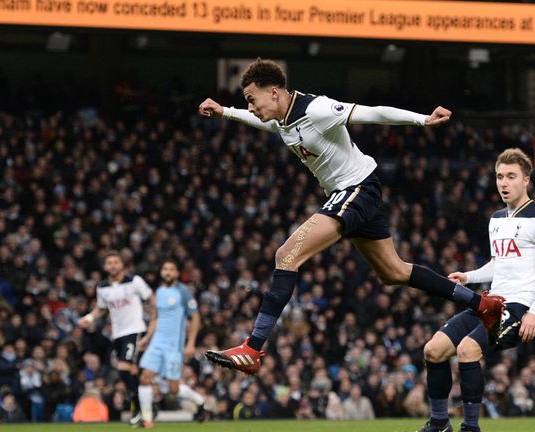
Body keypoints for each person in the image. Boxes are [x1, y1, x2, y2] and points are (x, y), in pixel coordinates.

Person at [197, 58, 505, 374]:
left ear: (274, 92)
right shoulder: (280, 119)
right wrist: (224, 111)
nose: (250, 106)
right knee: (394, 272)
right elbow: (262, 123)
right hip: (353, 193)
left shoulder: (316, 110)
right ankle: (483, 305)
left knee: (286, 254)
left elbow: (373, 113)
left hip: (356, 188)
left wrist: (422, 120)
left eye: (252, 99)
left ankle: (252, 348)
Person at [417, 148, 535, 432]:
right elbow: (499, 264)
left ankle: (471, 428)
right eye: (499, 177)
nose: (503, 183)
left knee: (468, 350)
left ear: (526, 180)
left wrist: (533, 312)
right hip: (490, 302)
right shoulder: (496, 218)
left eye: (511, 176)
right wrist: (468, 276)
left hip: (518, 306)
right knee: (433, 350)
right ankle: (439, 423)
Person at [77, 251, 154, 425]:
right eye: (109, 263)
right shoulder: (102, 287)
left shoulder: (135, 281)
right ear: (105, 267)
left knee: (123, 368)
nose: (113, 265)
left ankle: (139, 408)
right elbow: (101, 308)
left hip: (134, 330)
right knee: (132, 372)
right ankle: (147, 408)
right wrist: (89, 317)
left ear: (122, 265)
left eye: (116, 262)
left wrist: (153, 324)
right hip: (117, 334)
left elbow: (151, 299)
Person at [136, 260, 208, 428]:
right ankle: (147, 419)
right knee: (145, 377)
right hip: (157, 343)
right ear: (162, 272)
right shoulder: (159, 292)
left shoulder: (183, 292)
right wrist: (147, 337)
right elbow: (155, 317)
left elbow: (196, 318)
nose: (167, 272)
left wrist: (190, 344)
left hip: (173, 346)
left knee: (173, 390)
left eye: (171, 269)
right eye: (165, 269)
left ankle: (200, 401)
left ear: (176, 273)